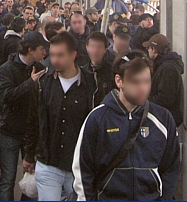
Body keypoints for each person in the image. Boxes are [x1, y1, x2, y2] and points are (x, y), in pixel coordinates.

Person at [72, 50, 180, 201]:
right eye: (135, 82)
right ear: (119, 81)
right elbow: (83, 170)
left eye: (146, 81)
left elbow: (171, 167)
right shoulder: (97, 118)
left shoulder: (163, 119)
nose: (143, 88)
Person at [23, 32, 103, 201]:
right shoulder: (42, 84)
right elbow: (33, 121)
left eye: (60, 55)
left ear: (73, 55)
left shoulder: (92, 84)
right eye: (52, 55)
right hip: (49, 163)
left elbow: (99, 123)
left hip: (80, 166)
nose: (54, 60)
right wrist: (29, 155)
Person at [0, 31, 47, 201]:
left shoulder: (42, 69)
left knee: (32, 178)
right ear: (31, 50)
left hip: (31, 134)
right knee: (7, 179)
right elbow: (7, 96)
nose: (44, 53)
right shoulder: (6, 69)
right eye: (42, 49)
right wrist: (30, 83)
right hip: (11, 131)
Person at [143, 34, 184, 127]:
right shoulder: (162, 65)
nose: (148, 51)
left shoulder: (167, 69)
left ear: (154, 49)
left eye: (149, 48)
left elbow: (165, 98)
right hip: (163, 117)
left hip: (165, 120)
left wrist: (143, 100)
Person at [83, 31, 116, 97]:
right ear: (87, 48)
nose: (95, 50)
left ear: (105, 50)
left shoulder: (112, 71)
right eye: (92, 46)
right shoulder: (83, 71)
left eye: (99, 47)